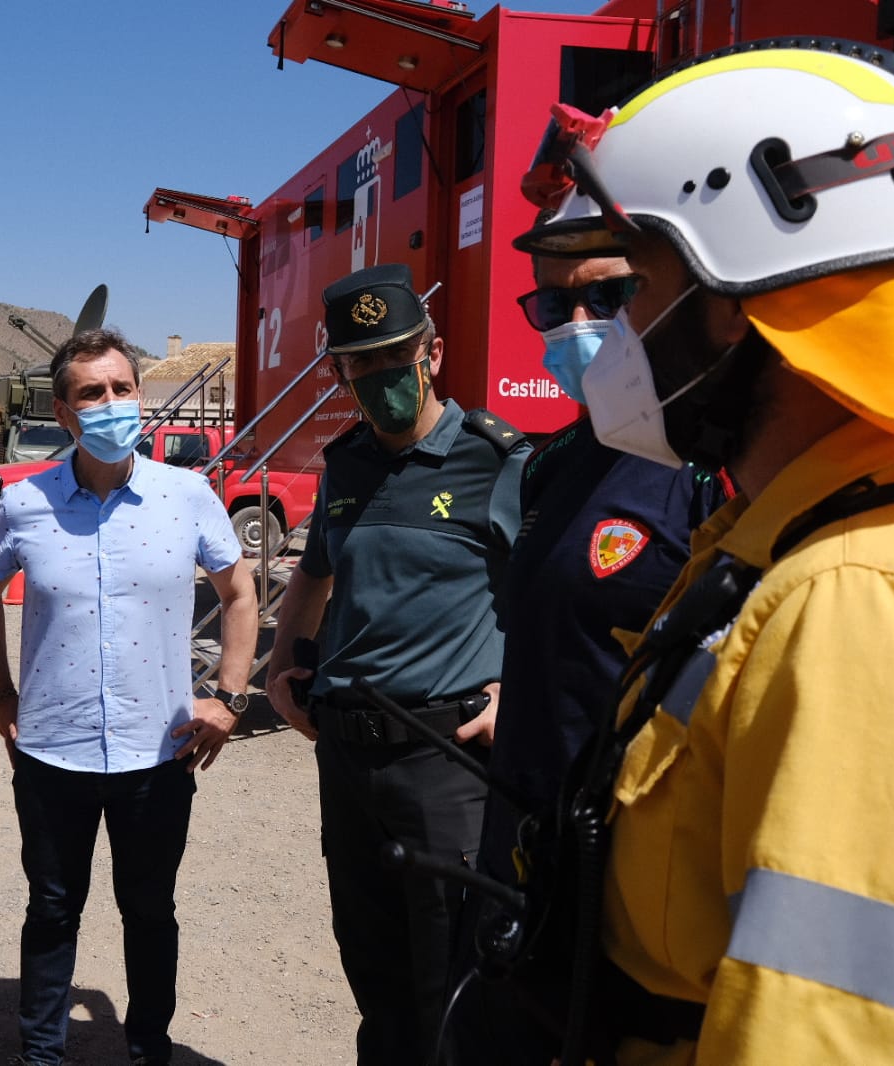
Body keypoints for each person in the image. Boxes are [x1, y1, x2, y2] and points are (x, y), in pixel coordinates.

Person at [512, 39, 894, 1063]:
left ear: (728, 305)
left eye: (628, 291)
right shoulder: (777, 539)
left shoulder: (863, 597)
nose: (608, 335)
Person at [457, 250, 728, 1062]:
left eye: (607, 296)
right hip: (523, 852)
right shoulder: (554, 462)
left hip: (633, 878)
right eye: (555, 306)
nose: (579, 326)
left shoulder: (709, 464)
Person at [0, 327, 259, 1066]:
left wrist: (228, 698)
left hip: (155, 754)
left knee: (150, 911)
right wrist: (2, 694)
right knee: (53, 908)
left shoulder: (186, 496)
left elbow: (240, 594)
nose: (110, 404)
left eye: (122, 388)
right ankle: (42, 1054)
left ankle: (148, 1047)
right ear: (64, 413)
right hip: (50, 753)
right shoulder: (22, 504)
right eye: (91, 393)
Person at [264, 263, 531, 1066]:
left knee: (454, 974)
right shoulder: (345, 466)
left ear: (433, 353)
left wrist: (514, 686)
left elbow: (544, 593)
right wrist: (280, 667)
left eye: (393, 357)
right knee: (373, 971)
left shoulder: (497, 462)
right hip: (347, 758)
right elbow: (314, 570)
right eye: (360, 364)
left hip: (446, 759)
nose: (378, 378)